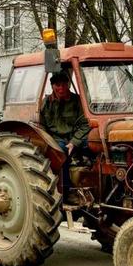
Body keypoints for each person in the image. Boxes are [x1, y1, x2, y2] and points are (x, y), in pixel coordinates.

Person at [40, 72, 90, 202]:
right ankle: (67, 193)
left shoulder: (78, 101)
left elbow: (85, 124)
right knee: (61, 152)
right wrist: (48, 141)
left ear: (68, 85)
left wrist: (74, 142)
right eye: (58, 85)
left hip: (75, 137)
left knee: (94, 146)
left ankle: (91, 185)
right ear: (52, 86)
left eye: (64, 84)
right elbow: (41, 126)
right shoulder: (46, 104)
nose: (61, 88)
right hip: (55, 139)